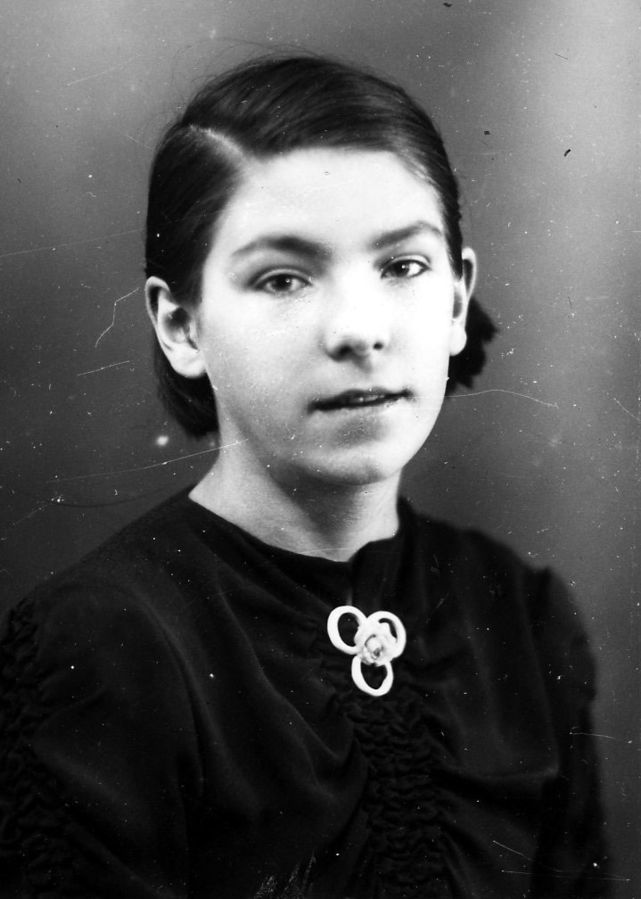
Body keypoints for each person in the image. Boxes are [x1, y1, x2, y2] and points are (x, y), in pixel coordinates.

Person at [0, 54, 609, 898]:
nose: (359, 330)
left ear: (455, 301)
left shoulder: (517, 613)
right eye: (282, 277)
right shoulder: (105, 642)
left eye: (402, 266)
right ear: (180, 325)